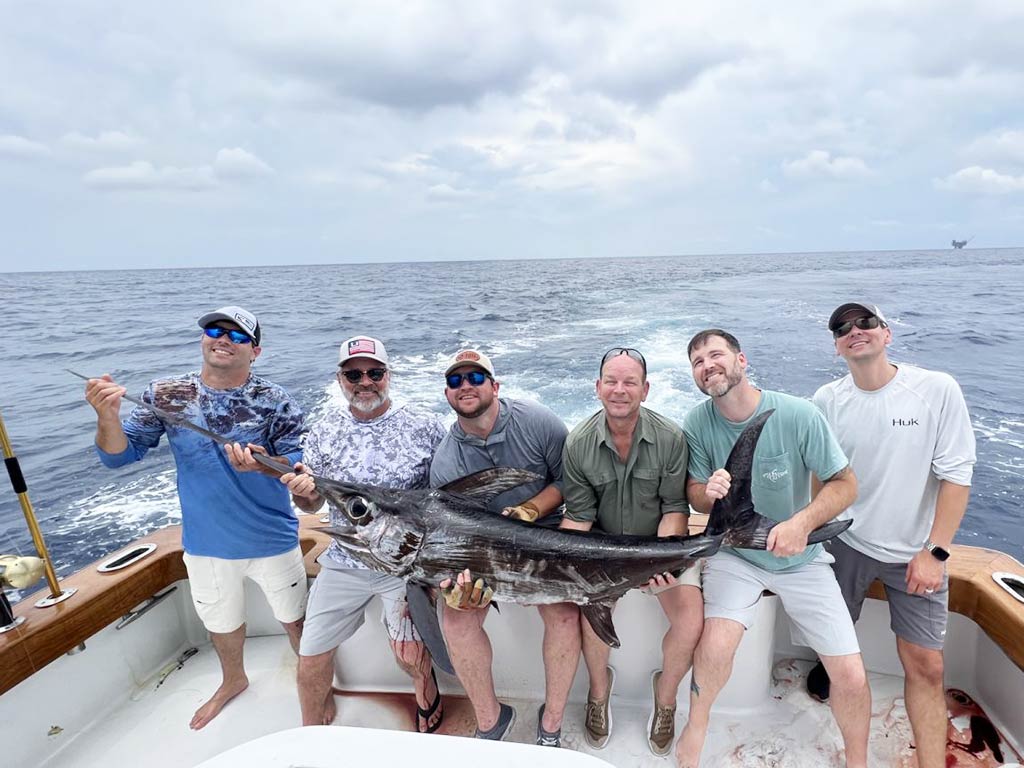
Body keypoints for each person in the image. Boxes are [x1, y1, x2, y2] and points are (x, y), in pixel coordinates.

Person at [85, 305, 307, 730]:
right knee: (220, 622)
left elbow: (300, 460)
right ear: (204, 339)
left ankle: (310, 672)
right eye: (214, 330)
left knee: (294, 616)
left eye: (237, 335)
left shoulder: (275, 400)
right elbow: (119, 456)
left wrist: (263, 464)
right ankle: (233, 679)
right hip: (206, 542)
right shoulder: (166, 393)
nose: (223, 339)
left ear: (255, 351)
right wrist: (106, 416)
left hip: (272, 537)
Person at [676, 329, 870, 768]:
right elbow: (695, 494)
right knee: (716, 646)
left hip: (802, 558)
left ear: (741, 361)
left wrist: (802, 523)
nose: (708, 365)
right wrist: (708, 492)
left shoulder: (798, 414)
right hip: (736, 556)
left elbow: (845, 484)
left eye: (716, 355)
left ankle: (857, 759)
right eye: (698, 361)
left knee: (850, 675)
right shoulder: (697, 423)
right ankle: (697, 727)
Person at [808, 302, 975, 768]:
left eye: (865, 323)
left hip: (915, 552)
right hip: (845, 542)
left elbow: (957, 476)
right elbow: (821, 477)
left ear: (887, 333)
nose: (854, 331)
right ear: (837, 345)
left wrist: (936, 551)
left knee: (927, 666)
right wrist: (813, 532)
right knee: (835, 643)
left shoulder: (936, 390)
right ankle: (826, 669)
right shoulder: (827, 400)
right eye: (842, 328)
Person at [281, 336, 448, 731]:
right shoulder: (323, 432)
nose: (365, 381)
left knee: (410, 654)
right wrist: (302, 495)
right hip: (343, 561)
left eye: (375, 372)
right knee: (311, 652)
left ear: (388, 376)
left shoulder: (425, 426)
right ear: (340, 380)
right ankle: (309, 734)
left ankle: (428, 699)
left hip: (404, 563)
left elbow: (444, 500)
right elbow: (312, 505)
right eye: (354, 374)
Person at [558, 347, 704, 757]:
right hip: (603, 552)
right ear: (597, 387)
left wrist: (662, 558)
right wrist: (557, 567)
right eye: (611, 381)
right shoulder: (579, 443)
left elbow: (676, 508)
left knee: (691, 620)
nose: (619, 390)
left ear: (645, 389)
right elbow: (580, 517)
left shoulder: (671, 437)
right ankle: (599, 694)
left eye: (630, 382)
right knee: (591, 614)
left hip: (659, 545)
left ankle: (667, 696)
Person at [428, 348, 571, 745]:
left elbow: (571, 479)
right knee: (456, 620)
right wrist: (459, 586)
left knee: (563, 617)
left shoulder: (537, 421)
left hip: (547, 535)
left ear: (495, 386)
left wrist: (530, 508)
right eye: (456, 380)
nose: (466, 386)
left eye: (476, 378)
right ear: (447, 394)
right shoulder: (445, 462)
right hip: (483, 550)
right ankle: (491, 720)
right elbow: (454, 535)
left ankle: (552, 724)